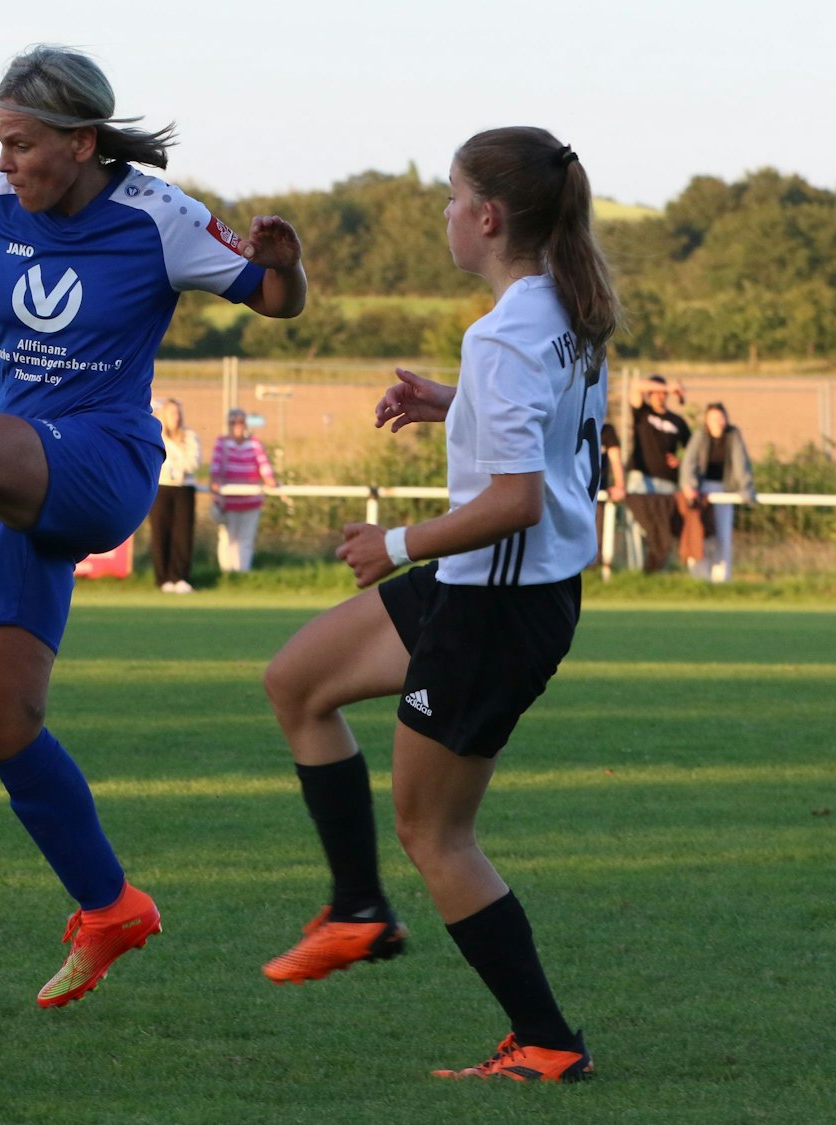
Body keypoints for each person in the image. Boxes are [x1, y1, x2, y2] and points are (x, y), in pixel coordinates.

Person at [0, 45, 308, 1008]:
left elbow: (275, 301)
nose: (5, 163)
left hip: (104, 459)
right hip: (16, 482)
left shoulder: (160, 217)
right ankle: (110, 904)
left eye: (22, 144)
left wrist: (284, 267)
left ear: (81, 143)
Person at [260, 126, 616, 1082]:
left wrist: (394, 544)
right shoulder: (564, 309)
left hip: (497, 603)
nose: (447, 215)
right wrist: (454, 402)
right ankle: (356, 912)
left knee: (436, 832)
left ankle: (545, 1042)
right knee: (297, 681)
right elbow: (547, 432)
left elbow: (517, 498)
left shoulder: (506, 327)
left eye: (454, 200)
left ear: (489, 217)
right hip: (493, 587)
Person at [679, 402, 756, 582]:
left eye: (721, 418)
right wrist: (688, 485)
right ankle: (700, 578)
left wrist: (746, 489)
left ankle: (722, 579)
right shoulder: (700, 435)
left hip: (725, 490)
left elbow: (741, 464)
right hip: (701, 491)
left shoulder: (733, 435)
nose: (718, 422)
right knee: (699, 533)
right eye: (714, 418)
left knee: (723, 535)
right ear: (706, 420)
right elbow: (689, 462)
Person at [624, 374, 690, 573]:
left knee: (662, 528)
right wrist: (669, 386)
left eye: (664, 393)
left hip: (667, 482)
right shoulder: (642, 414)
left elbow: (693, 452)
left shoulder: (677, 421)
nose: (661, 396)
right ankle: (635, 570)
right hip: (641, 479)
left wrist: (681, 462)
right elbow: (635, 387)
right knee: (637, 526)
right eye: (657, 393)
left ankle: (658, 571)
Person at [210, 406, 277, 573]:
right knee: (228, 539)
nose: (237, 426)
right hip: (229, 503)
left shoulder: (255, 444)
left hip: (251, 502)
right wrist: (215, 482)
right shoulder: (222, 443)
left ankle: (242, 573)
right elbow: (216, 468)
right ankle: (227, 573)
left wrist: (269, 479)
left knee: (245, 540)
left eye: (240, 422)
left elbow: (264, 465)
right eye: (233, 422)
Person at [149, 396, 200, 592]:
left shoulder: (189, 437)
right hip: (162, 487)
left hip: (183, 487)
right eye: (171, 413)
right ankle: (163, 578)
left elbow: (193, 463)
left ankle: (180, 577)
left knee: (183, 533)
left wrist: (177, 465)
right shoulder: (158, 436)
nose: (176, 417)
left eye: (178, 413)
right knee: (161, 531)